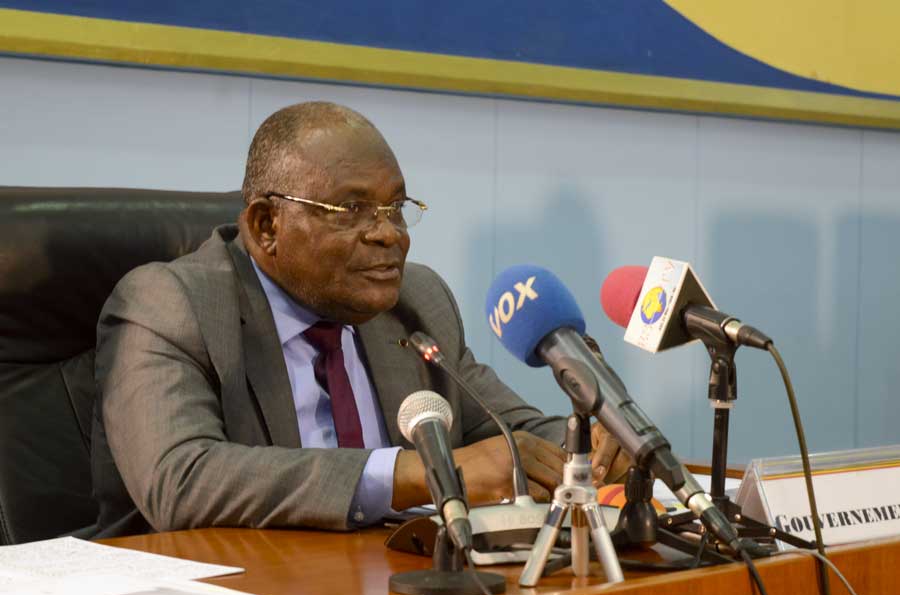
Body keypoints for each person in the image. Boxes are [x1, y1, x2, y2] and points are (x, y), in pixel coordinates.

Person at [90, 102, 630, 538]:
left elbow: (508, 433)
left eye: (396, 207)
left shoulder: (415, 301)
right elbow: (182, 480)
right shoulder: (170, 303)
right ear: (266, 225)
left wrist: (597, 445)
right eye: (352, 210)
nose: (388, 234)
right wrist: (414, 474)